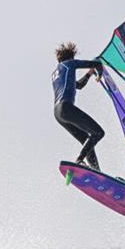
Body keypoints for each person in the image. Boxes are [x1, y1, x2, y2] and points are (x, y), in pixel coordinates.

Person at [51, 42, 105, 171]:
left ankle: (96, 172)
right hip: (66, 108)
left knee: (87, 139)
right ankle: (80, 160)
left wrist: (90, 73)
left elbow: (78, 85)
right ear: (71, 58)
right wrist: (99, 71)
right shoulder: (69, 64)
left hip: (58, 113)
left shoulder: (58, 73)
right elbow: (97, 63)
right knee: (98, 133)